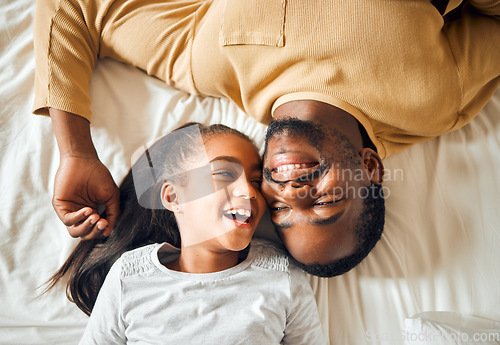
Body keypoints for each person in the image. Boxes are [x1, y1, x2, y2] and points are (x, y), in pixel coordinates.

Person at [33, 0, 500, 276]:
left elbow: (75, 6)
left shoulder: (206, 61)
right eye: (326, 201)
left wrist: (74, 150)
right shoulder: (435, 99)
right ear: (370, 167)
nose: (293, 193)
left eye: (279, 209)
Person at [46, 123, 325, 344]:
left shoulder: (281, 276)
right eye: (225, 174)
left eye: (255, 181)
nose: (248, 192)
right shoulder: (129, 277)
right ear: (173, 197)